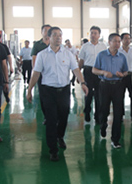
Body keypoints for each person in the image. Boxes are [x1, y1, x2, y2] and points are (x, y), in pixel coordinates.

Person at [26, 26, 87, 161]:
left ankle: (60, 136)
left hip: (64, 91)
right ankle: (53, 149)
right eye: (55, 35)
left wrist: (82, 83)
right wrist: (29, 90)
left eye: (60, 35)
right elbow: (36, 74)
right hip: (48, 91)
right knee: (51, 120)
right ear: (48, 38)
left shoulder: (68, 54)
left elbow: (76, 69)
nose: (58, 37)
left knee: (64, 117)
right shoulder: (42, 55)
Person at [93, 33, 129, 149]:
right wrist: (103, 72)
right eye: (115, 41)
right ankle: (103, 125)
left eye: (119, 41)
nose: (117, 43)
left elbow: (126, 71)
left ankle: (115, 139)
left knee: (118, 113)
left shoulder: (122, 57)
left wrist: (122, 74)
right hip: (104, 86)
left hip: (118, 86)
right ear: (109, 42)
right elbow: (94, 70)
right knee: (104, 110)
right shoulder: (102, 55)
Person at [78, 26, 107, 125]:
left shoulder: (103, 46)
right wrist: (78, 75)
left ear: (99, 35)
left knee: (99, 95)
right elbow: (81, 61)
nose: (93, 35)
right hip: (88, 71)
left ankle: (98, 115)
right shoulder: (85, 46)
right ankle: (87, 111)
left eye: (95, 33)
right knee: (88, 93)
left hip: (99, 72)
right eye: (91, 33)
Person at [120, 32, 132, 124]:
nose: (127, 40)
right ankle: (120, 115)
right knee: (120, 96)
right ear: (121, 40)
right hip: (121, 77)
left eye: (129, 38)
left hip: (131, 76)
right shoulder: (118, 51)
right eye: (125, 38)